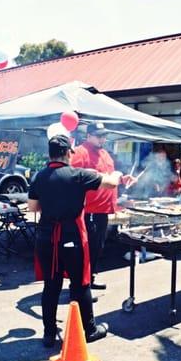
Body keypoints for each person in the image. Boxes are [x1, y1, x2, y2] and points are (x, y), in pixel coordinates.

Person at [28, 134, 124, 348]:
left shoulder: (39, 176)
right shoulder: (78, 175)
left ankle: (49, 334)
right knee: (80, 284)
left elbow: (32, 208)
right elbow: (109, 184)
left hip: (46, 238)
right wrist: (116, 173)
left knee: (51, 286)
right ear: (66, 153)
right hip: (70, 237)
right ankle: (90, 330)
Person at [71, 122, 136, 291]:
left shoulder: (105, 153)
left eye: (104, 135)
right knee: (87, 249)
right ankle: (79, 286)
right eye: (99, 136)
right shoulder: (79, 153)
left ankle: (89, 279)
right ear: (88, 135)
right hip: (89, 210)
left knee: (97, 247)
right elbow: (73, 178)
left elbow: (107, 177)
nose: (103, 139)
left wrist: (122, 179)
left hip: (102, 210)